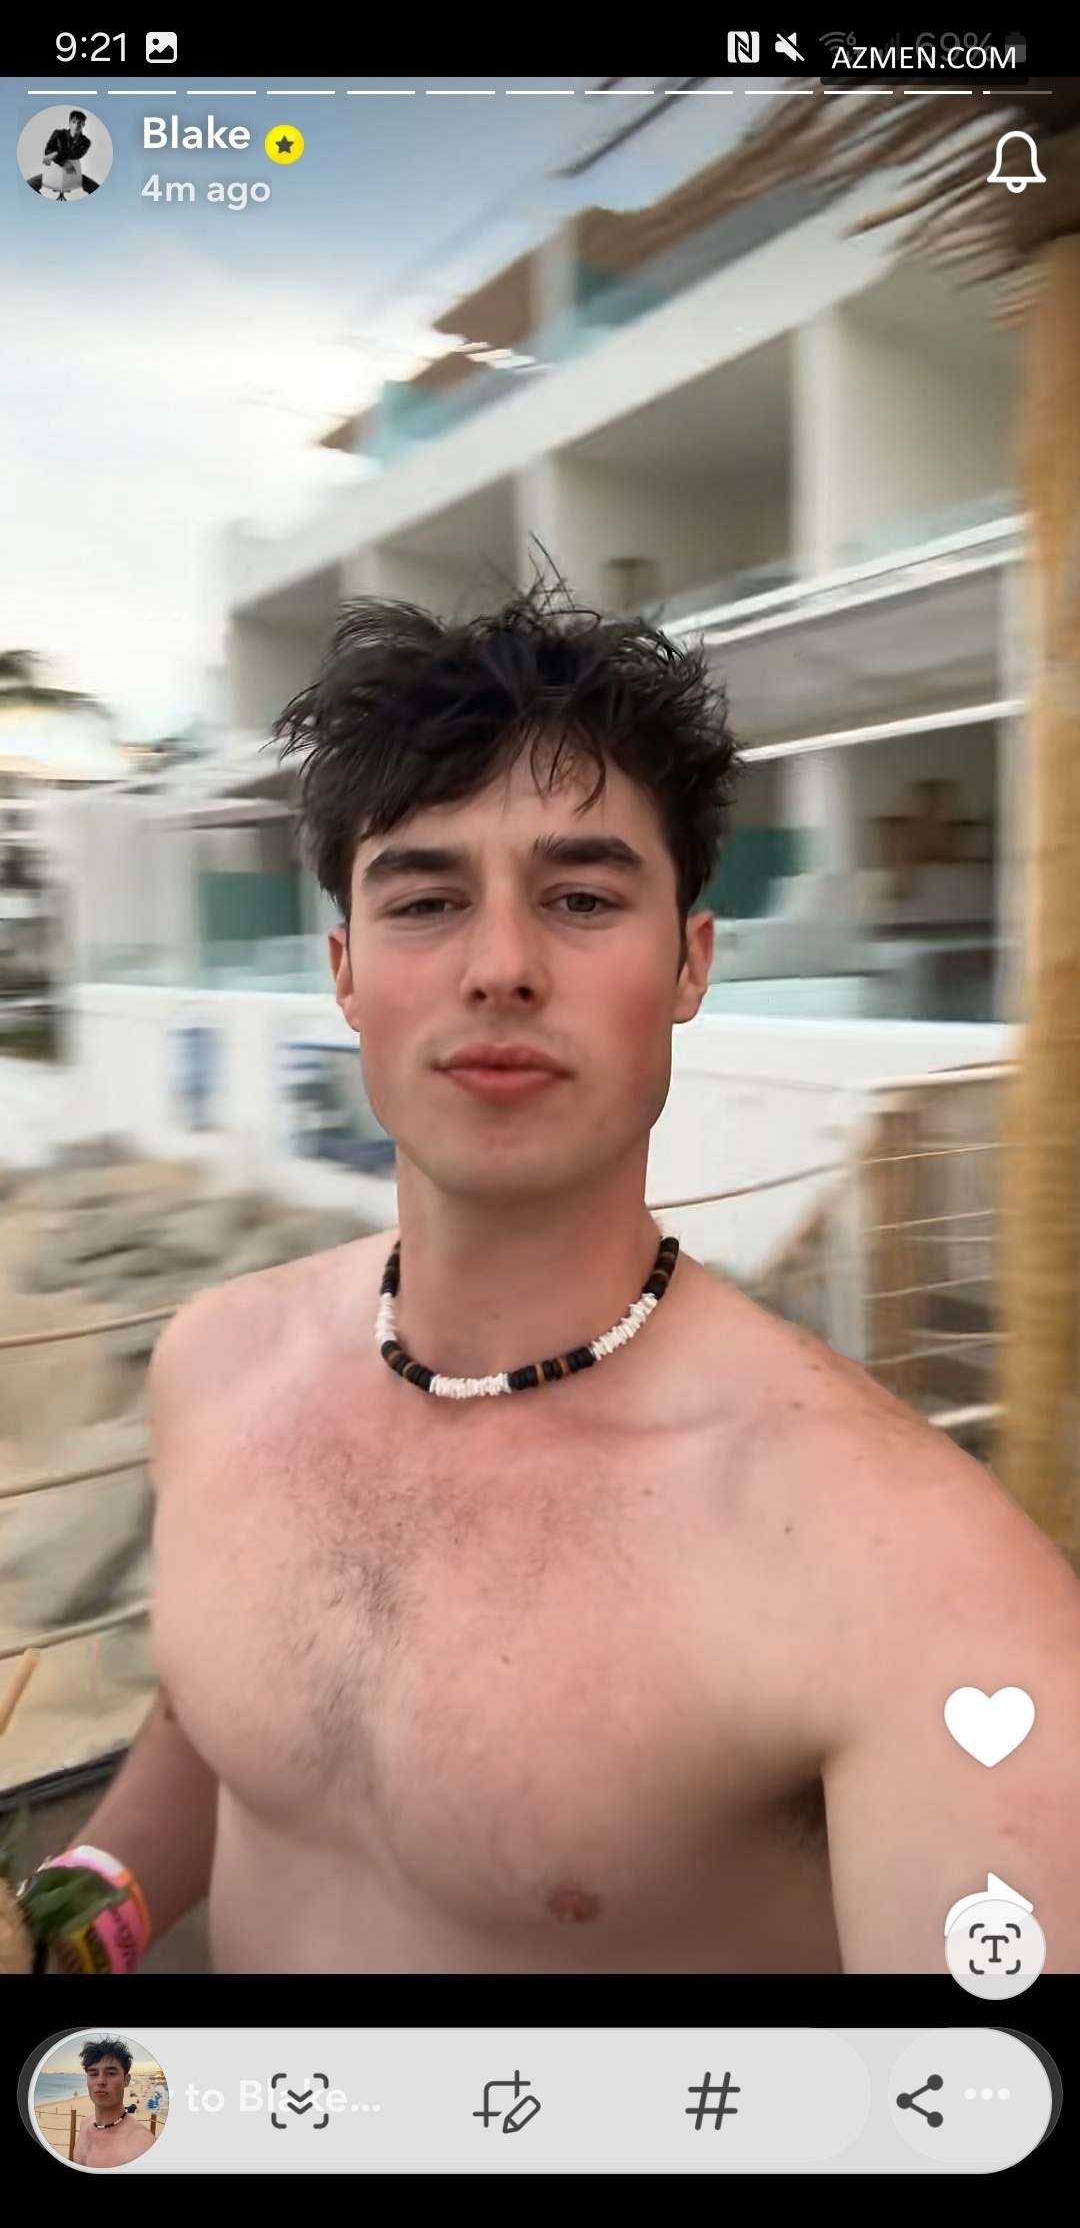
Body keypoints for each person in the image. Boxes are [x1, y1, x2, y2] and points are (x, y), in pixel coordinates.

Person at [42, 590, 1080, 1973]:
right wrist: (69, 1925)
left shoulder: (904, 1573)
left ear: (690, 965)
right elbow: (221, 1734)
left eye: (581, 899)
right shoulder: (215, 1368)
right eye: (426, 901)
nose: (500, 968)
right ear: (346, 973)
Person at [71, 2039, 156, 2167]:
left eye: (111, 2073)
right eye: (93, 2074)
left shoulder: (141, 2144)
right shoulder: (85, 2124)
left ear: (126, 2079)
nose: (100, 2081)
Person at [27, 110, 100, 198]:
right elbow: (47, 151)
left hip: (73, 174)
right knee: (29, 185)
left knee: (98, 189)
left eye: (79, 122)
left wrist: (56, 153)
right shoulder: (58, 134)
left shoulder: (86, 142)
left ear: (83, 124)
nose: (76, 125)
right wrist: (64, 162)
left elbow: (76, 154)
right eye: (74, 122)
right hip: (53, 173)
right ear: (69, 123)